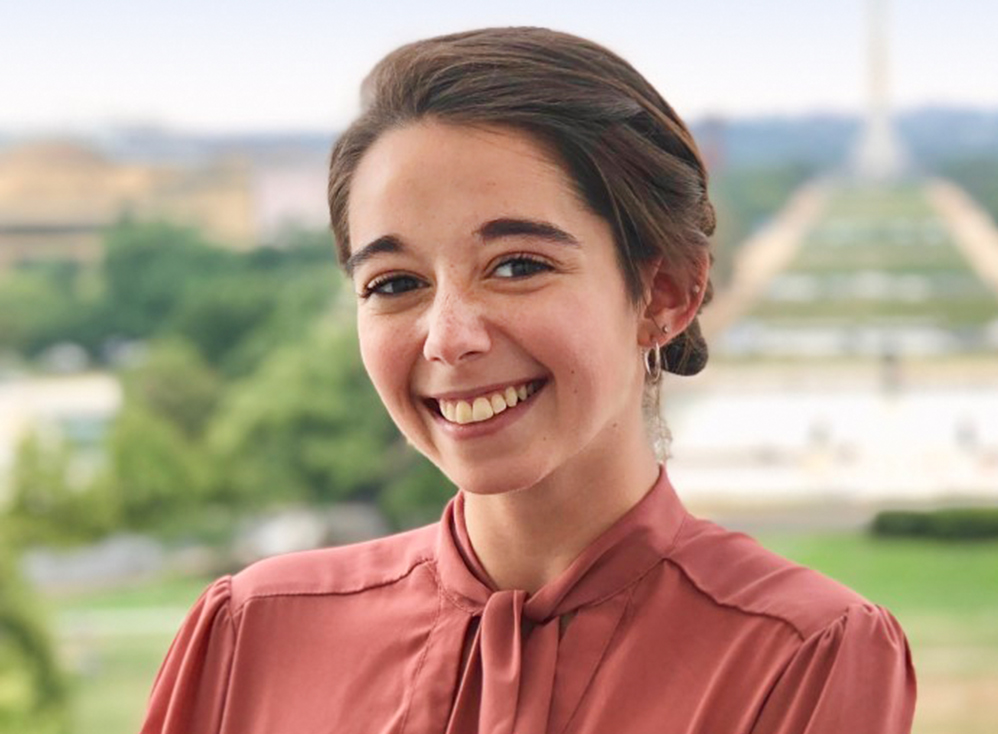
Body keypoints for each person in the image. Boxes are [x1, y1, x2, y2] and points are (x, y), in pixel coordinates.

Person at [141, 27, 915, 734]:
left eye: (518, 266)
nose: (449, 339)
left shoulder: (802, 656)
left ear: (667, 292)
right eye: (393, 283)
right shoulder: (254, 632)